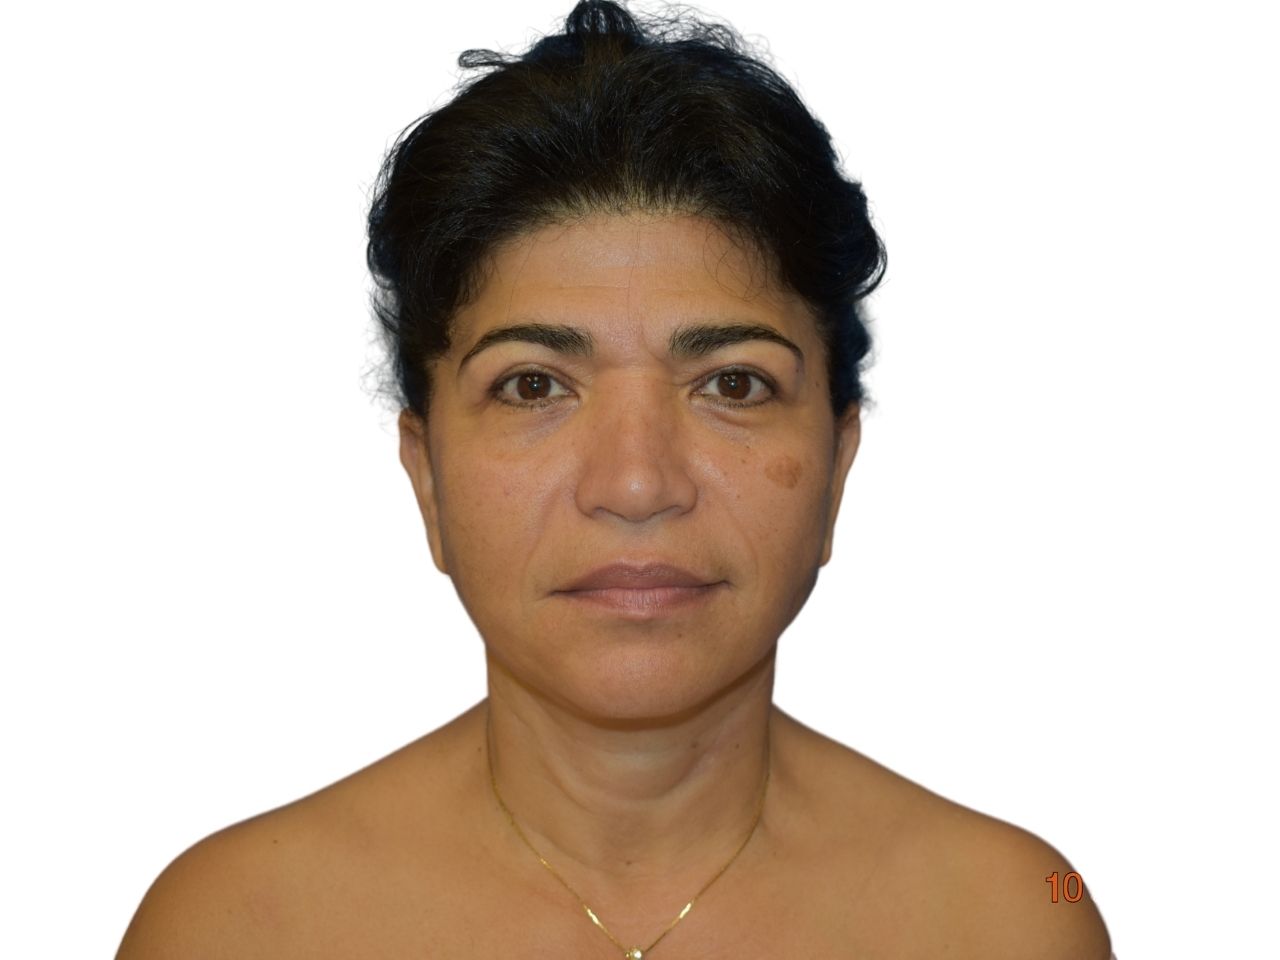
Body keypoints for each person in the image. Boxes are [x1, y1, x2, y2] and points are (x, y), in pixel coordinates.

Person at [117, 2, 1111, 957]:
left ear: (837, 465)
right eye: (533, 385)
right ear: (426, 477)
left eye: (732, 383)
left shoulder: (1010, 919)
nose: (636, 484)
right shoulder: (234, 929)